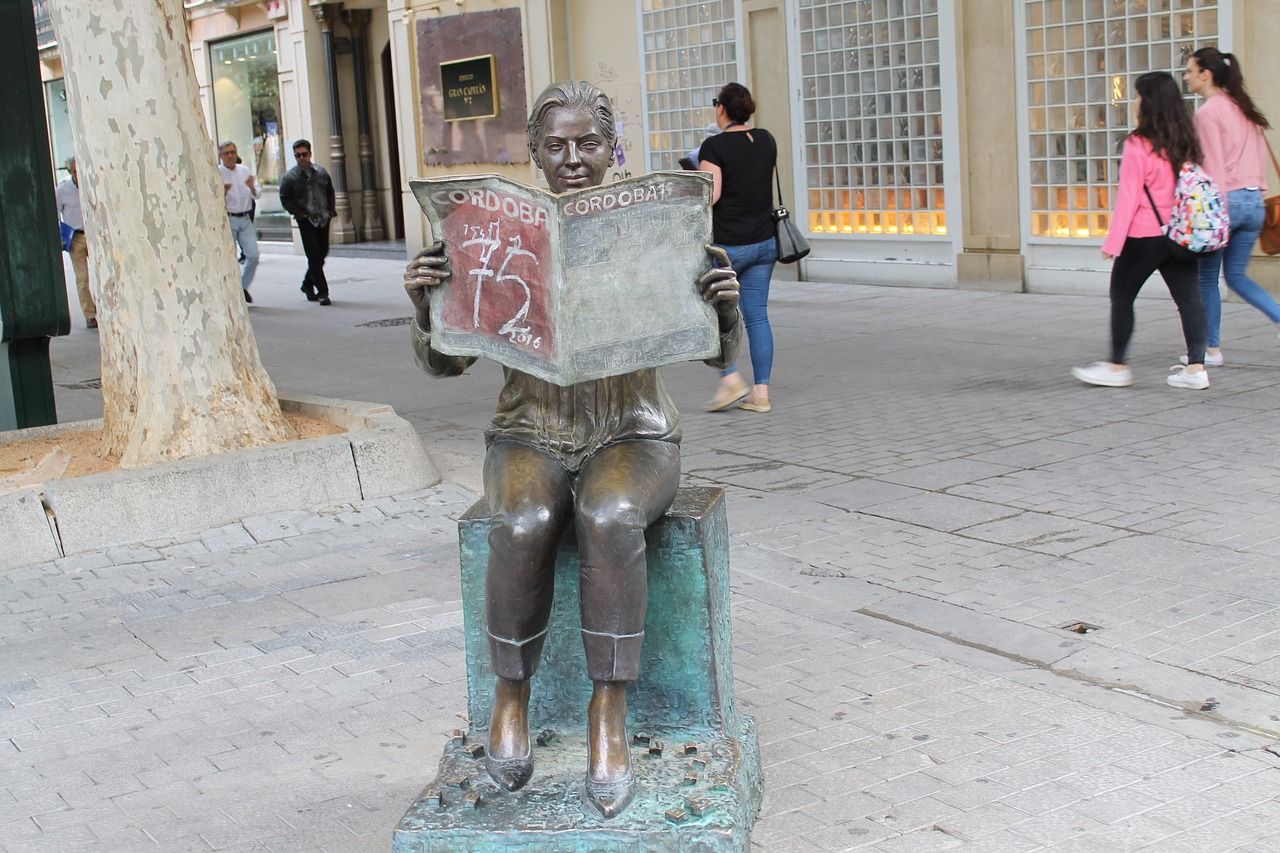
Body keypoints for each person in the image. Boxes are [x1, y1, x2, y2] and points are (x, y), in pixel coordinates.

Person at [403, 81, 742, 819]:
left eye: (588, 142)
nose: (573, 158)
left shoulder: (654, 226)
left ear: (610, 148)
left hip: (634, 429)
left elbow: (717, 354)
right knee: (521, 522)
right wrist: (425, 303)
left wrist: (724, 306)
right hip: (530, 430)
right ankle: (510, 698)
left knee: (611, 514)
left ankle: (607, 712)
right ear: (536, 153)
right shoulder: (497, 231)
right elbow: (443, 365)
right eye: (555, 145)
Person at [1072, 71, 1210, 390]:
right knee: (1189, 300)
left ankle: (1117, 366)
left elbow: (1129, 197)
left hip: (1144, 235)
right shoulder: (1186, 140)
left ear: (1148, 102)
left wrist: (1114, 241)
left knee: (1121, 295)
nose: (1133, 101)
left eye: (1137, 95)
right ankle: (1196, 370)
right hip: (1180, 234)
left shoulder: (1138, 142)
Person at [1183, 47, 1275, 367]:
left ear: (1205, 75)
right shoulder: (1245, 108)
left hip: (1227, 202)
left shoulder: (1208, 112)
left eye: (1190, 71)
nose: (1186, 76)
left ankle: (1211, 350)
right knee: (1236, 277)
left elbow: (1213, 168)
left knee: (1206, 279)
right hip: (1254, 202)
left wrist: (1212, 213)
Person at [699, 83, 779, 413]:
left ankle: (730, 379)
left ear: (721, 109)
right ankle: (761, 394)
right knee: (758, 318)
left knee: (710, 313)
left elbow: (711, 195)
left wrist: (694, 177)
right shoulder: (766, 139)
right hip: (765, 242)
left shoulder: (714, 147)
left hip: (729, 246)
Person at [278, 139, 335, 306]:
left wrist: (330, 210)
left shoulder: (321, 172)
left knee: (322, 253)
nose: (301, 158)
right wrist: (299, 213)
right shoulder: (290, 177)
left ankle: (307, 284)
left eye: (304, 154)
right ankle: (323, 292)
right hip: (307, 220)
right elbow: (285, 199)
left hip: (323, 218)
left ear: (310, 154)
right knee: (314, 256)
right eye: (297, 155)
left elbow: (329, 191)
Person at [55, 157, 98, 329]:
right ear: (69, 172)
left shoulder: (91, 184)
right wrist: (61, 236)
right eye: (74, 172)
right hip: (77, 237)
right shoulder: (62, 191)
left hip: (94, 236)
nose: (78, 175)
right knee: (82, 278)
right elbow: (55, 213)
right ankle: (89, 314)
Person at [217, 141, 261, 303]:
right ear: (221, 156)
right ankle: (231, 292)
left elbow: (257, 194)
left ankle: (242, 286)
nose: (230, 156)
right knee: (230, 257)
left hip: (245, 218)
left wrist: (252, 187)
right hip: (228, 219)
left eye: (233, 152)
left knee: (254, 255)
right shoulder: (217, 173)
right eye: (227, 153)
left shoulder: (244, 171)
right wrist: (222, 192)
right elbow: (212, 199)